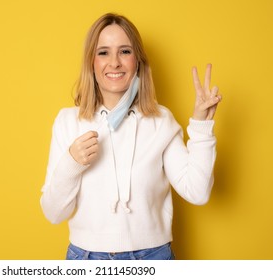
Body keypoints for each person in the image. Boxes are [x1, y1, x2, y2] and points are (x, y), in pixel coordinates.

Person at [40, 13, 222, 260]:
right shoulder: (68, 122)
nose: (114, 62)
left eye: (124, 51)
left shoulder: (161, 120)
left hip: (153, 258)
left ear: (138, 61)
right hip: (85, 258)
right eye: (103, 52)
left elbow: (197, 192)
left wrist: (202, 124)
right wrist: (71, 163)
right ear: (91, 62)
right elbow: (53, 213)